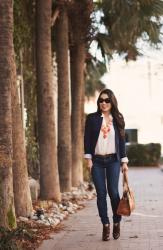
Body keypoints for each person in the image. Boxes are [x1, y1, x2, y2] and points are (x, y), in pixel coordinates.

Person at [84, 89, 128, 241]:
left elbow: (121, 142)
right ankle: (106, 224)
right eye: (101, 100)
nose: (103, 103)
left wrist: (124, 161)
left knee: (113, 193)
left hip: (113, 161)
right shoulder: (92, 118)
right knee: (101, 194)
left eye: (106, 100)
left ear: (112, 102)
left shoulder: (118, 118)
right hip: (96, 161)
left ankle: (116, 221)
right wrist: (88, 159)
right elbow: (87, 140)